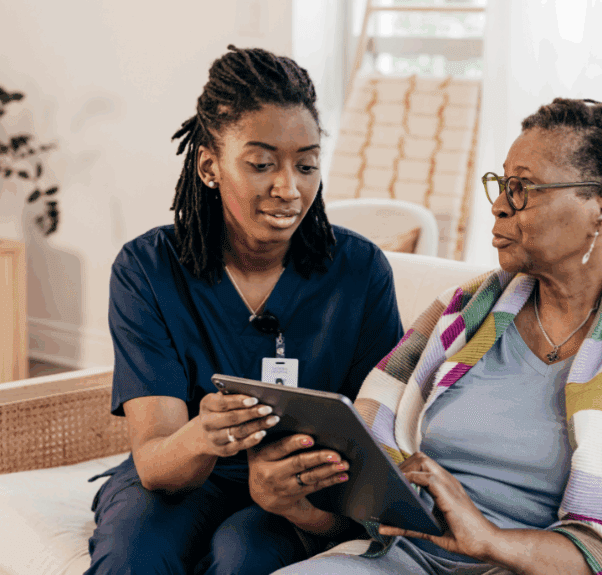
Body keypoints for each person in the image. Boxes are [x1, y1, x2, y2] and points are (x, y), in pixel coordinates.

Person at [277, 98, 602, 575]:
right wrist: (298, 503)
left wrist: (494, 541)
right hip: (401, 559)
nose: (499, 206)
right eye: (501, 185)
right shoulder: (459, 315)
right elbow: (372, 486)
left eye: (522, 189)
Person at [85, 45, 404, 575]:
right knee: (133, 553)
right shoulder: (148, 268)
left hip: (296, 492)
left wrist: (304, 498)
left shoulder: (360, 271)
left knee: (243, 553)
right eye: (261, 164)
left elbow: (379, 443)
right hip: (187, 470)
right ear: (209, 166)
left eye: (306, 165)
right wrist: (205, 434)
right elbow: (158, 465)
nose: (289, 188)